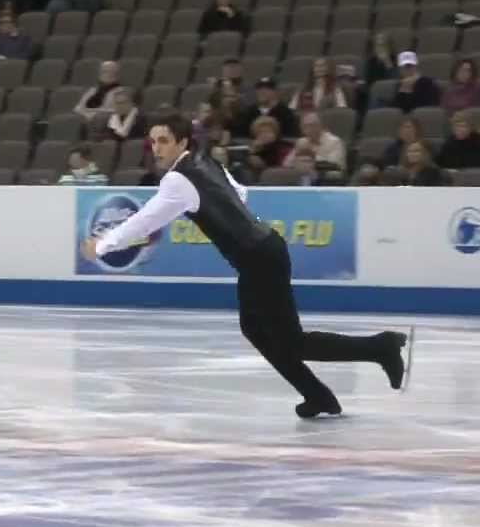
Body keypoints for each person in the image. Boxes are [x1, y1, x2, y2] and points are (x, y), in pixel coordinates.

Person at [82, 111, 412, 418]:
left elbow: (144, 221)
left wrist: (103, 244)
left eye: (164, 141)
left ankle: (381, 347)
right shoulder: (206, 161)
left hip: (258, 258)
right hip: (263, 249)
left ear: (182, 142)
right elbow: (240, 193)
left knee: (292, 340)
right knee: (256, 329)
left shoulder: (177, 181)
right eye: (152, 141)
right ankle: (318, 395)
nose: (156, 148)